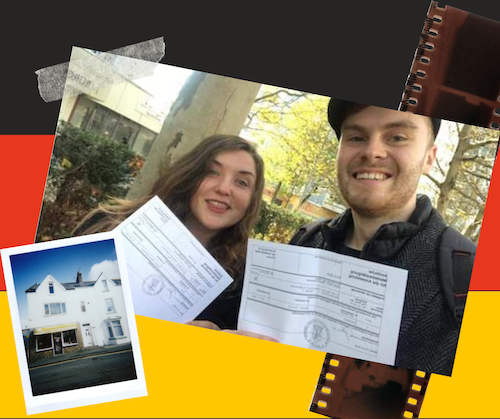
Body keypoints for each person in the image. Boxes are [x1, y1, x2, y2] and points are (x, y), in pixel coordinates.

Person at [290, 99, 476, 375]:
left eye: (397, 137)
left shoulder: (473, 279)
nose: (372, 151)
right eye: (356, 137)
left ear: (429, 158)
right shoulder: (305, 242)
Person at [73, 134, 270, 334]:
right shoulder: (109, 224)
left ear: (252, 200)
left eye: (242, 182)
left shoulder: (244, 289)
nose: (224, 189)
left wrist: (217, 345)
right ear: (191, 174)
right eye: (212, 172)